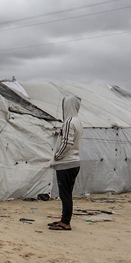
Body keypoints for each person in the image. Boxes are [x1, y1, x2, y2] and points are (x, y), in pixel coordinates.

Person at [49, 96, 83, 231]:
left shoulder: (69, 122)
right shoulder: (78, 122)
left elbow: (66, 143)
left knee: (65, 195)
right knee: (66, 194)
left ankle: (65, 222)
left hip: (66, 163)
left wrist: (57, 156)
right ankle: (64, 219)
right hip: (74, 162)